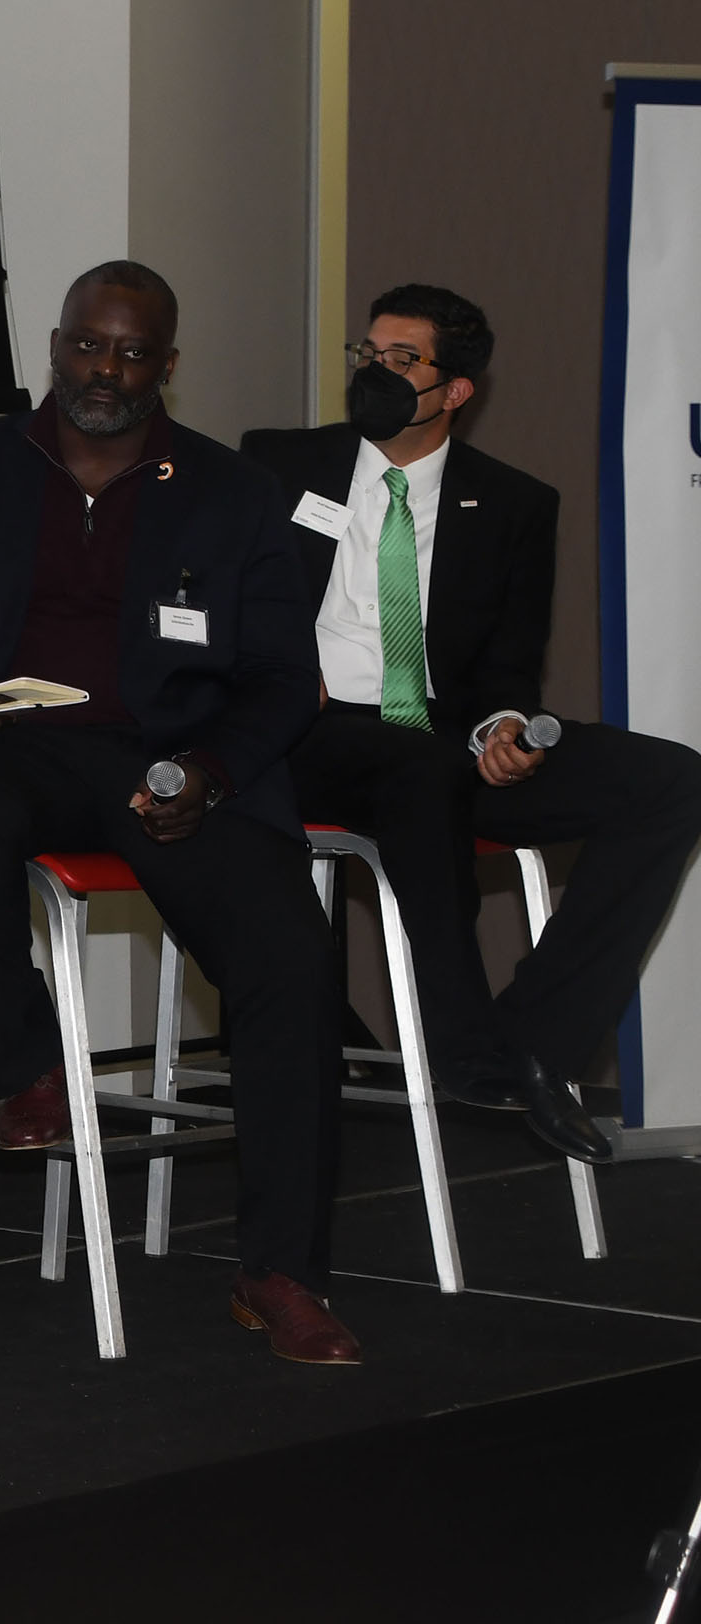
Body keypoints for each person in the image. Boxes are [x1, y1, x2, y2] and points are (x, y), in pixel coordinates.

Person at [0, 261, 357, 1364]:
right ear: (56, 345)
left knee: (293, 957)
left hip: (174, 767)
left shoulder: (232, 493)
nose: (108, 369)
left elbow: (287, 677)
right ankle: (27, 1063)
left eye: (134, 352)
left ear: (168, 365)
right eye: (90, 345)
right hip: (8, 748)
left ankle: (281, 1271)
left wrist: (214, 772)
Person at [244, 286, 701, 1160]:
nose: (375, 373)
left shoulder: (516, 504)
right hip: (305, 734)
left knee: (669, 779)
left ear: (456, 390)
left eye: (402, 360)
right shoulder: (275, 464)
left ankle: (536, 1041)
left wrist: (501, 728)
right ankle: (463, 1044)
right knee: (418, 767)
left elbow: (507, 670)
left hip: (438, 743)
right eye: (368, 355)